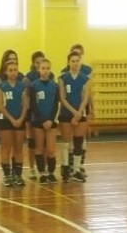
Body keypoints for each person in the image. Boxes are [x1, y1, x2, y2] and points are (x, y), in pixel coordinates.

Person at [58, 51, 91, 183]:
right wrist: (73, 112)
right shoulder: (63, 78)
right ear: (68, 62)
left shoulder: (85, 79)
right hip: (66, 113)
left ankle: (77, 170)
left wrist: (79, 113)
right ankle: (66, 168)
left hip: (80, 113)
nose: (75, 63)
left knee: (78, 142)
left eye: (77, 61)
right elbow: (62, 98)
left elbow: (85, 98)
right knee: (66, 142)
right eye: (73, 61)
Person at [0, 60, 29, 187]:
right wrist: (11, 119)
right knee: (6, 147)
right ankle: (7, 175)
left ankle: (18, 174)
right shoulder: (2, 87)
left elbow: (25, 104)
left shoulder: (22, 86)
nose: (13, 72)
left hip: (19, 119)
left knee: (18, 147)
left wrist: (20, 119)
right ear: (5, 72)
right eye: (10, 70)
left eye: (15, 70)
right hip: (6, 120)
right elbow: (0, 106)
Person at [29, 58, 60, 184]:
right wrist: (42, 120)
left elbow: (56, 104)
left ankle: (51, 172)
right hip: (38, 121)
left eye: (47, 68)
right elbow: (33, 105)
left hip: (51, 121)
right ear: (39, 69)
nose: (45, 71)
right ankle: (42, 173)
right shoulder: (33, 86)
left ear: (50, 70)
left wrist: (50, 120)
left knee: (51, 150)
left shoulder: (55, 86)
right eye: (43, 68)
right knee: (39, 148)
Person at [24, 51, 53, 181]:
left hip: (47, 114)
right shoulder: (28, 78)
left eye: (42, 62)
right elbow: (27, 98)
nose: (40, 64)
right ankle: (32, 168)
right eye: (37, 63)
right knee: (32, 142)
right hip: (33, 114)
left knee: (45, 143)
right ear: (34, 64)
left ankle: (45, 167)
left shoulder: (51, 77)